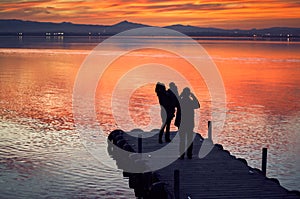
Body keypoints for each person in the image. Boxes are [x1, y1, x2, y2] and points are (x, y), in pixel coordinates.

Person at [178, 87, 200, 159]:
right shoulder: (190, 102)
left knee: (182, 140)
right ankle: (189, 154)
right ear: (189, 94)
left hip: (182, 123)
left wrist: (180, 95)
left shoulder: (181, 101)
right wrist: (193, 96)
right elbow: (198, 105)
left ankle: (182, 155)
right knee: (189, 139)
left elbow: (176, 103)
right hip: (190, 123)